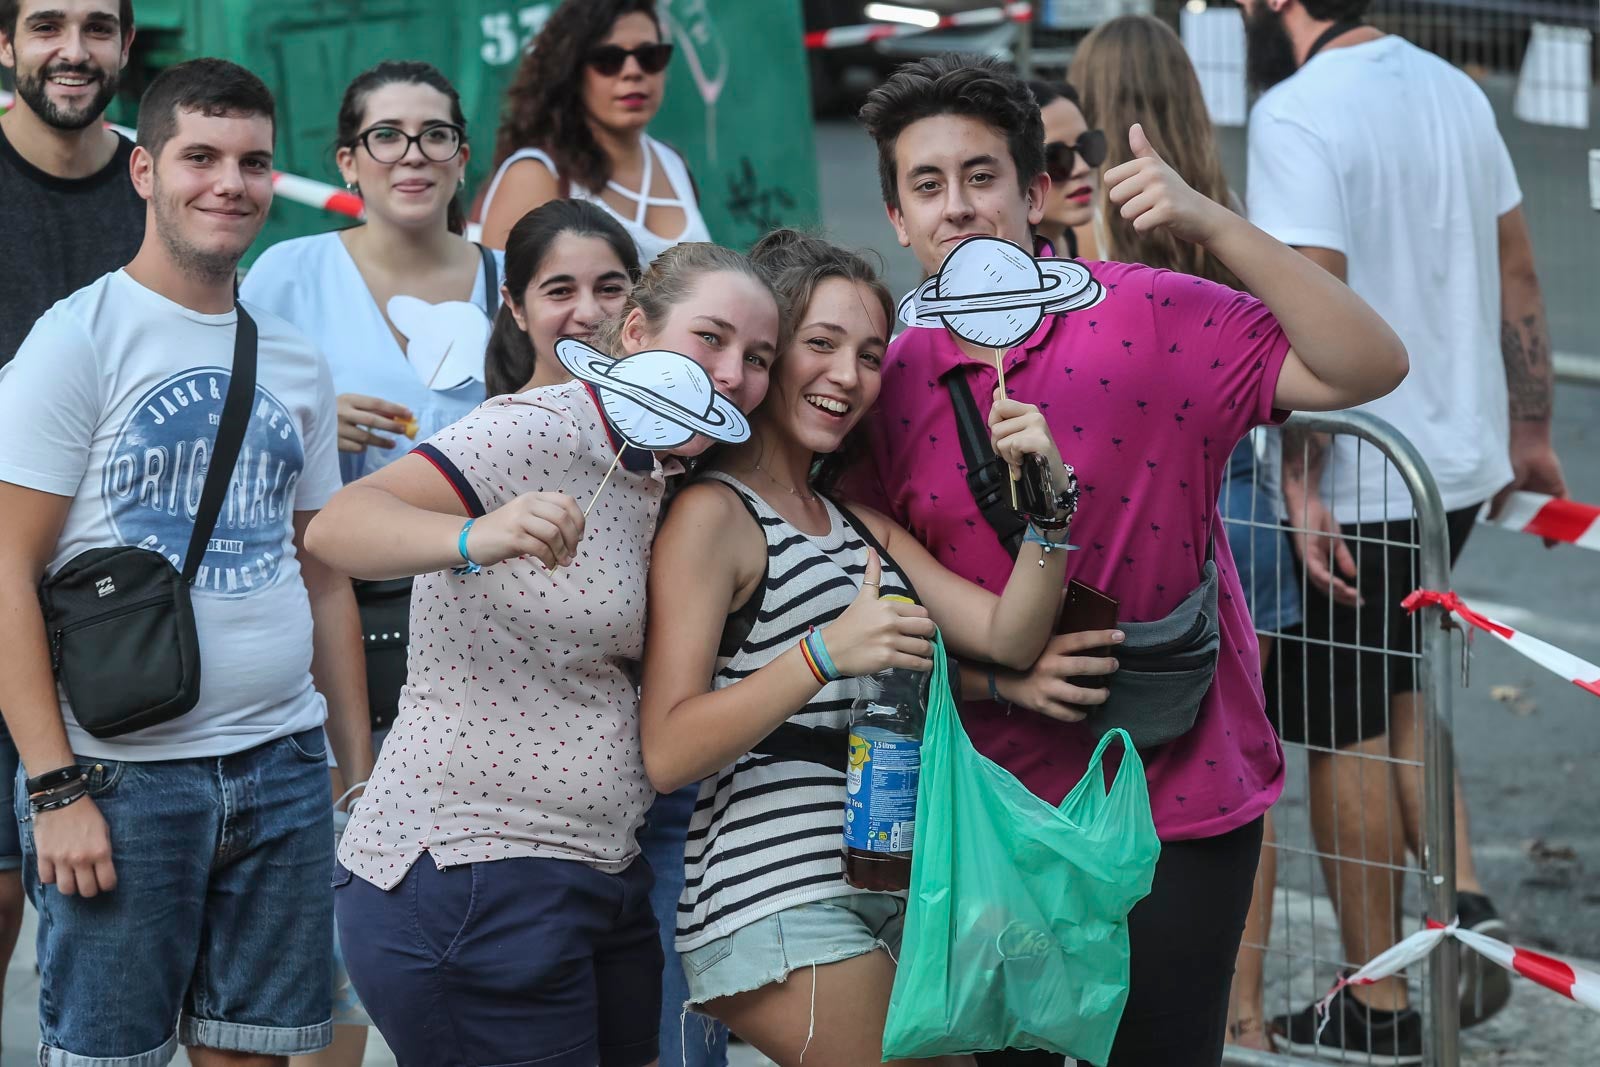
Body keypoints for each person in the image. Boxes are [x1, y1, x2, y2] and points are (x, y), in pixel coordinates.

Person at [851, 53, 1408, 1067]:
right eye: (926, 186)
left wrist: (1215, 227)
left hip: (1177, 785)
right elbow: (849, 575)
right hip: (994, 803)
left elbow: (1367, 361)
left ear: (1031, 191)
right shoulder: (878, 375)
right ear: (895, 216)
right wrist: (988, 666)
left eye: (981, 177)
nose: (958, 208)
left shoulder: (1154, 310)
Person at [307, 242, 781, 1067]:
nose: (734, 371)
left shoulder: (666, 471)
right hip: (470, 869)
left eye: (758, 357)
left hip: (599, 873)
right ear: (635, 331)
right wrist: (472, 534)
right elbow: (337, 526)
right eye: (710, 339)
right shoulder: (536, 427)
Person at [0, 57, 372, 1067]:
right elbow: (4, 570)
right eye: (199, 157)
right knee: (108, 1056)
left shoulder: (293, 355)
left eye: (252, 162)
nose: (229, 184)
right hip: (124, 778)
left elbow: (322, 566)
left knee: (254, 1052)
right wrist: (53, 787)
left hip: (285, 764)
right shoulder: (75, 341)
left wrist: (353, 769)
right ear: (144, 171)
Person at [640, 229, 1087, 1067]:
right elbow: (667, 749)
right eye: (820, 344)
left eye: (872, 355)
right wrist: (824, 652)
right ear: (768, 362)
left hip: (893, 877)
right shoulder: (715, 514)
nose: (848, 375)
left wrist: (1050, 508)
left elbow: (1011, 632)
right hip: (771, 893)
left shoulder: (858, 526)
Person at [1239, 0, 1564, 1058]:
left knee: (1343, 723)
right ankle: (1463, 910)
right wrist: (1530, 423)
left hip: (1362, 469)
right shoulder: (1455, 89)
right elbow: (1519, 267)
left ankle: (1375, 1003)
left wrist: (1299, 474)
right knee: (1402, 680)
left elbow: (1310, 296)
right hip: (1456, 460)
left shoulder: (1294, 113)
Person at [239, 58, 506, 1067]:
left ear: (462, 155)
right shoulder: (290, 273)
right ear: (348, 158)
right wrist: (309, 418)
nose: (413, 154)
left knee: (465, 927)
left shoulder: (504, 280)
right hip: (341, 626)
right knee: (340, 929)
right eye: (386, 136)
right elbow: (239, 439)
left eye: (434, 133)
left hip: (481, 638)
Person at [1067, 14, 1303, 1052]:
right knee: (1239, 763)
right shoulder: (1217, 204)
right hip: (1240, 496)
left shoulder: (1098, 224)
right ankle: (1237, 999)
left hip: (1146, 515)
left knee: (1133, 744)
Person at [0, 0, 143, 1032]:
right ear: (3, 45)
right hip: (2, 567)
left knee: (112, 904)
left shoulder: (160, 178)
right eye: (46, 24)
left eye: (99, 27)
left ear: (128, 47)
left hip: (125, 597)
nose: (74, 50)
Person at [477, 0, 710, 265]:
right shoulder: (536, 175)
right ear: (571, 70)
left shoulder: (674, 164)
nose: (632, 72)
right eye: (608, 60)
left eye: (649, 57)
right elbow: (500, 299)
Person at [486, 197, 643, 396]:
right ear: (516, 306)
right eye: (560, 292)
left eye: (609, 289)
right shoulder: (500, 425)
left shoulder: (675, 418)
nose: (589, 314)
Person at [1024, 80, 1102, 260]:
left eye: (1087, 146)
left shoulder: (1068, 238)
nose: (1082, 168)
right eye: (1055, 158)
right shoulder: (1007, 276)